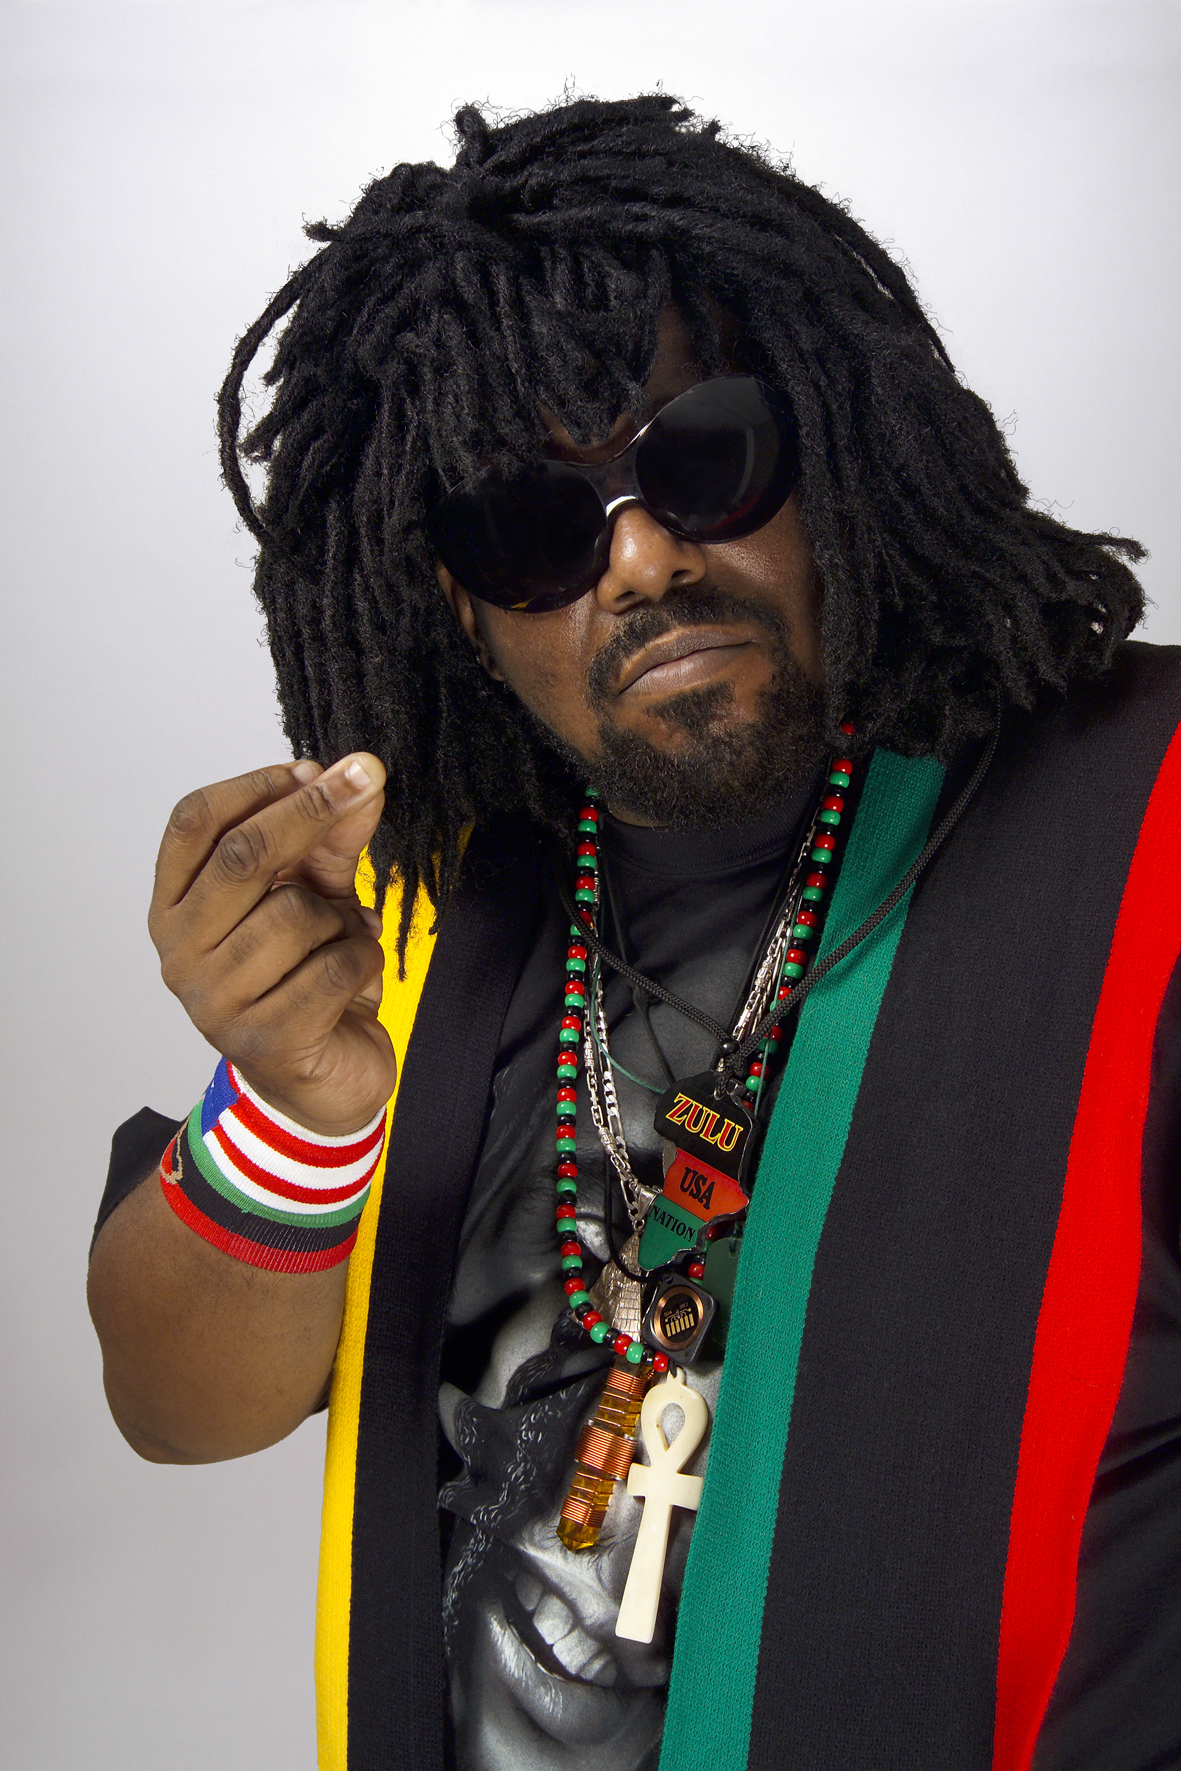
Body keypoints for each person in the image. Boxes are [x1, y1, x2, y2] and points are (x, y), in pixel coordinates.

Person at [86, 95, 1181, 1771]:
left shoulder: (1143, 816)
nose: (646, 555)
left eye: (705, 455)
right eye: (532, 529)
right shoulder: (410, 907)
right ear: (456, 601)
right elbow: (175, 1412)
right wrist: (300, 1117)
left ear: (833, 436)